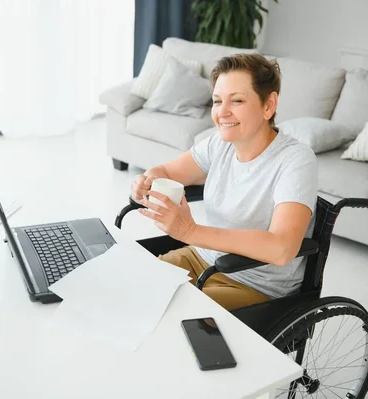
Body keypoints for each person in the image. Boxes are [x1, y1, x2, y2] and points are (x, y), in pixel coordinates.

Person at [131, 53, 318, 311]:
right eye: (217, 101)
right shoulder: (219, 143)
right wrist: (147, 179)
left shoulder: (296, 160)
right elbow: (166, 171)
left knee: (168, 311)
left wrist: (189, 232)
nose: (222, 112)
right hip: (201, 257)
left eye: (237, 100)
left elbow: (282, 249)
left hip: (254, 284)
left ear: (268, 105)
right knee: (135, 285)